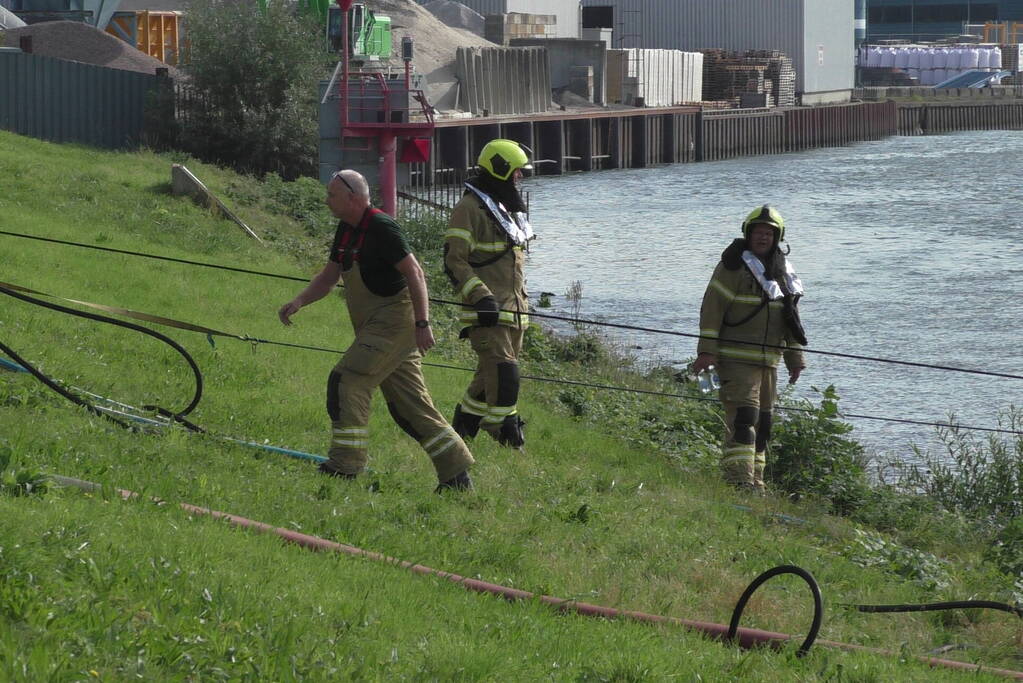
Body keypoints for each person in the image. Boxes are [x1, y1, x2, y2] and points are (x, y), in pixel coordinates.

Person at [278, 170, 474, 491]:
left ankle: (346, 466)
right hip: (375, 327)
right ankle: (457, 476)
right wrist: (299, 301)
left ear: (354, 198)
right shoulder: (346, 229)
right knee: (409, 407)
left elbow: (416, 274)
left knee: (348, 380)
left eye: (332, 195)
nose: (326, 200)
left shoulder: (382, 227)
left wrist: (423, 324)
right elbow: (330, 276)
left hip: (394, 323)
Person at [692, 205, 807, 493]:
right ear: (748, 233)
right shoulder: (732, 268)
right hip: (735, 360)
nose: (763, 237)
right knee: (744, 419)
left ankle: (756, 482)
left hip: (769, 362)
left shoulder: (783, 273)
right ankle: (738, 481)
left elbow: (790, 318)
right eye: (758, 232)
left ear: (778, 237)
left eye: (769, 233)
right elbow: (711, 310)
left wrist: (795, 357)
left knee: (764, 424)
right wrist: (706, 353)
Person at [444, 139, 534, 448]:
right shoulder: (468, 209)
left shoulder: (505, 209)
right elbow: (454, 260)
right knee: (505, 372)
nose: (519, 179)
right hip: (486, 312)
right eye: (516, 173)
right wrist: (481, 297)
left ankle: (463, 430)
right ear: (500, 170)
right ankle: (506, 430)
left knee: (488, 376)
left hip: (514, 312)